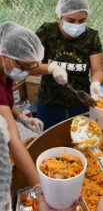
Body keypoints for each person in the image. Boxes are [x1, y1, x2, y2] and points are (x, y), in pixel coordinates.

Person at [0, 21, 67, 186]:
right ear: (4, 55)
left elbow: (6, 104)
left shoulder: (5, 69)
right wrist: (39, 188)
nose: (26, 72)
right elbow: (13, 140)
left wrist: (23, 118)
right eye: (24, 67)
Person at [36, 0, 103, 130]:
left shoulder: (91, 37)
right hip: (50, 102)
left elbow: (98, 70)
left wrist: (96, 83)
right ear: (61, 16)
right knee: (51, 143)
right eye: (71, 20)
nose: (76, 25)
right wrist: (51, 68)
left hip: (80, 103)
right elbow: (29, 66)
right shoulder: (47, 32)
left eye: (82, 21)